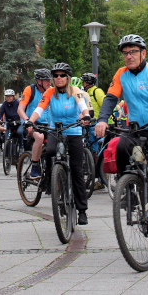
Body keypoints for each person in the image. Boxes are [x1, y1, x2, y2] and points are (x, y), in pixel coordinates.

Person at [94, 34, 148, 244]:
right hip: (136, 129)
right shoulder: (121, 74)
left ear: (143, 53)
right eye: (125, 53)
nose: (128, 56)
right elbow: (110, 98)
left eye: (133, 52)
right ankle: (131, 191)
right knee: (120, 149)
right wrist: (102, 120)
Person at [27, 63, 91, 225]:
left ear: (68, 78)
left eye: (62, 75)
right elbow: (40, 109)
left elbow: (82, 106)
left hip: (74, 131)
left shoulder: (75, 91)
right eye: (55, 76)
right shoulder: (49, 92)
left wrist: (85, 116)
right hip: (56, 130)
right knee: (49, 152)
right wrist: (30, 121)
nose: (58, 78)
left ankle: (82, 210)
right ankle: (51, 180)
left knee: (77, 169)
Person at [17, 69, 52, 177]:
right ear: (39, 81)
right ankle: (34, 167)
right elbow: (20, 109)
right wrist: (27, 121)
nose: (49, 83)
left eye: (50, 80)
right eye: (46, 80)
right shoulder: (30, 90)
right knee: (40, 137)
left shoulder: (51, 90)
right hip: (32, 123)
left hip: (47, 124)